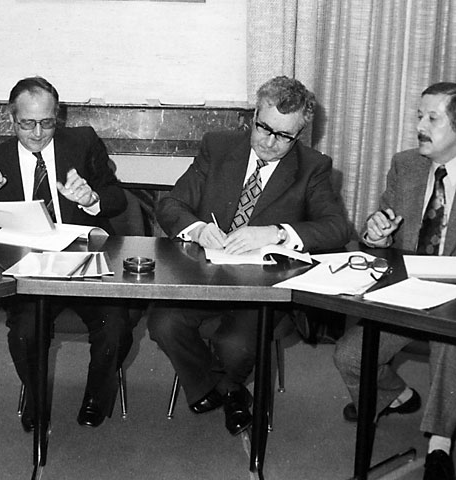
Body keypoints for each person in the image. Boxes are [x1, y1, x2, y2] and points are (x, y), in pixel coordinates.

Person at [147, 76, 350, 436]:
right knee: (163, 323)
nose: (269, 142)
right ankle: (225, 390)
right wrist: (197, 229)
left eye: (284, 136)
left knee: (235, 345)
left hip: (262, 289)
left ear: (300, 134)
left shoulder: (313, 167)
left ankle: (218, 387)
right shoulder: (218, 146)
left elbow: (337, 228)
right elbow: (172, 205)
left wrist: (276, 232)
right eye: (264, 128)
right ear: (253, 116)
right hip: (204, 276)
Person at [0, 76, 135, 429]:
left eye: (46, 123)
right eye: (27, 123)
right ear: (11, 118)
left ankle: (96, 396)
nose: (37, 133)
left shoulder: (82, 142)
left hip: (82, 260)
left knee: (115, 326)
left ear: (57, 116)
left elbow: (117, 197)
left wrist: (92, 199)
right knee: (25, 332)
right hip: (29, 265)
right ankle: (36, 395)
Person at [334, 82, 456, 480]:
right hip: (406, 292)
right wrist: (377, 234)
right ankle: (395, 394)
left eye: (432, 118)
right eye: (419, 116)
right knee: (349, 357)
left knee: (449, 349)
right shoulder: (406, 165)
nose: (420, 126)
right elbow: (381, 228)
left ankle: (440, 443)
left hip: (453, 301)